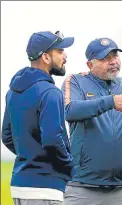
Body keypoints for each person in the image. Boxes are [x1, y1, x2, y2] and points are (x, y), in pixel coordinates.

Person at [61, 37, 122, 205]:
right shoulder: (76, 81)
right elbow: (69, 111)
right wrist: (110, 102)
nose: (113, 62)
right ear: (90, 65)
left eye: (115, 56)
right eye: (105, 58)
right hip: (82, 186)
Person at [2, 31, 75, 205]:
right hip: (45, 190)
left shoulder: (12, 92)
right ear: (46, 58)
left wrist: (31, 155)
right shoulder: (50, 93)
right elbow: (52, 139)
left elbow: (7, 137)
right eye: (59, 51)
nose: (65, 55)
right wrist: (71, 167)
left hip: (20, 186)